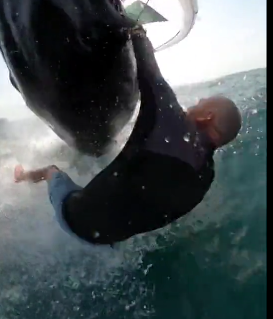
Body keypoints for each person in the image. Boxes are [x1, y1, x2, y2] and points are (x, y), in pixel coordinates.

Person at [14, 26, 242, 246]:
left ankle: (22, 176)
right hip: (106, 239)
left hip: (74, 218)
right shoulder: (205, 176)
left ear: (207, 117)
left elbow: (152, 76)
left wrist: (138, 33)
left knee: (52, 171)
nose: (197, 103)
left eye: (202, 103)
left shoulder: (174, 123)